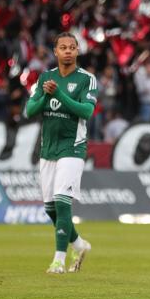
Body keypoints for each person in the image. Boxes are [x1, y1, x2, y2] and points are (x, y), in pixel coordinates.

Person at [24, 32, 94, 274]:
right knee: (50, 208)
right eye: (63, 47)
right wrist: (45, 95)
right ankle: (79, 244)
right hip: (48, 149)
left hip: (73, 147)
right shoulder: (45, 78)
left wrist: (59, 95)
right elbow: (30, 110)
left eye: (72, 47)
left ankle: (58, 261)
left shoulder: (86, 79)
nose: (67, 51)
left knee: (63, 203)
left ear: (77, 51)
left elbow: (86, 112)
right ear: (55, 52)